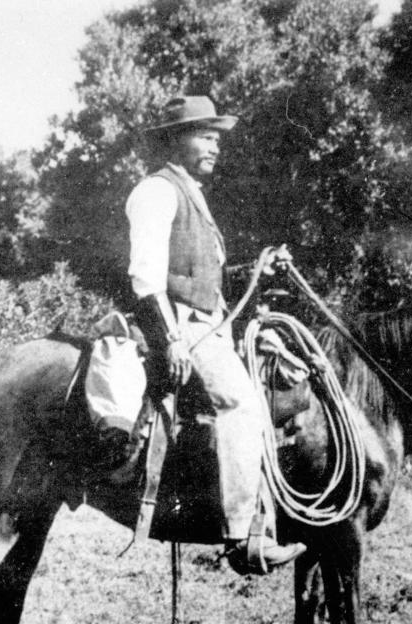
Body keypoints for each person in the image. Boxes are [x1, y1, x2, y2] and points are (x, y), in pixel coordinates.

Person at [125, 95, 305, 574]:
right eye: (205, 135)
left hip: (211, 323)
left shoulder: (191, 193)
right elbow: (145, 277)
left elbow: (201, 275)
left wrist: (257, 269)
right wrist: (171, 340)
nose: (216, 146)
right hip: (183, 325)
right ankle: (242, 537)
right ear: (174, 139)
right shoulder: (156, 192)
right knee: (239, 404)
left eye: (217, 137)